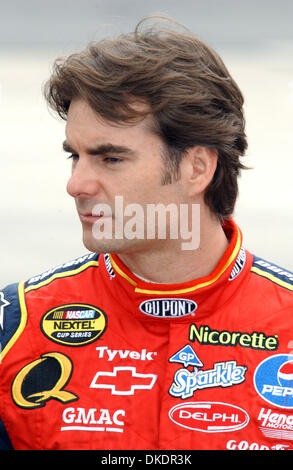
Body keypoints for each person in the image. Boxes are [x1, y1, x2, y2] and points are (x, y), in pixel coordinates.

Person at [0, 16, 292, 451]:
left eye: (110, 159)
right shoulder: (15, 328)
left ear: (197, 168)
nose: (76, 185)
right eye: (74, 157)